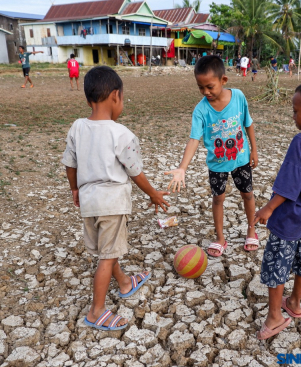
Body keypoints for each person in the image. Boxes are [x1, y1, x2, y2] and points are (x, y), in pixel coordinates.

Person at [61, 66, 170, 331]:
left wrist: (75, 189)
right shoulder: (122, 134)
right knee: (106, 257)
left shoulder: (77, 128)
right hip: (112, 203)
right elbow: (135, 172)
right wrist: (154, 194)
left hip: (88, 203)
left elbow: (70, 164)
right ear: (115, 96)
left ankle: (123, 283)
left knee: (107, 249)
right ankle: (96, 311)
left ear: (88, 99)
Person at [251, 78, 301, 340]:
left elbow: (289, 183)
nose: (293, 116)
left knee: (277, 264)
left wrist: (267, 208)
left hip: (289, 218)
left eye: (296, 111)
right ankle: (295, 303)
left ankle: (275, 317)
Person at [166, 55, 260, 257]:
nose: (205, 92)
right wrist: (182, 168)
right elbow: (194, 139)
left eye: (209, 86)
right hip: (217, 165)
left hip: (241, 159)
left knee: (248, 194)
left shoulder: (239, 97)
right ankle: (220, 238)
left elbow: (248, 123)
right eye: (200, 87)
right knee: (218, 199)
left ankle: (251, 229)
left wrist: (254, 149)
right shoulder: (200, 110)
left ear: (223, 80)